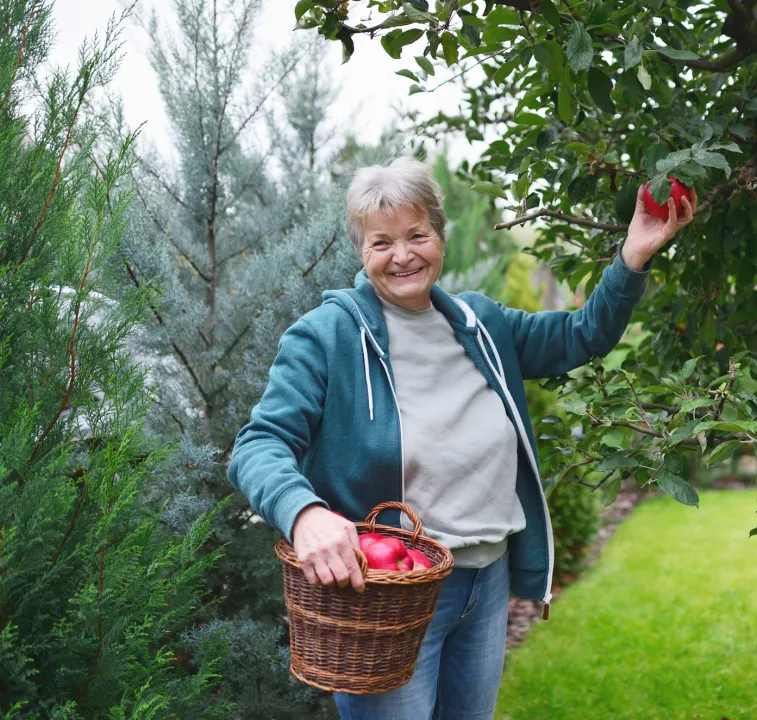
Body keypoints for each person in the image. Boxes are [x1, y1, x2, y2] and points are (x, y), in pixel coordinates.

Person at [227, 156, 696, 720]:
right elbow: (258, 443)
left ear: (440, 238)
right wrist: (304, 515)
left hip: (485, 582)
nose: (402, 255)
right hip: (391, 594)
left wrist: (634, 254)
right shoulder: (325, 337)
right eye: (381, 243)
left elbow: (582, 334)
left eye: (416, 235)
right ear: (360, 252)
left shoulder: (481, 325)